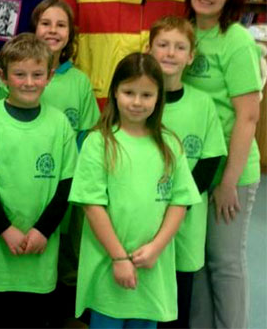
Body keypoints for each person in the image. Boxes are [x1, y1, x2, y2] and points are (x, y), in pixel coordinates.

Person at [69, 52, 201, 328]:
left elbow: (179, 202)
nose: (137, 102)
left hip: (151, 271)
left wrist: (156, 248)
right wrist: (119, 257)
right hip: (109, 268)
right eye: (129, 92)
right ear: (115, 92)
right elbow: (92, 206)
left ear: (158, 97)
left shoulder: (169, 144)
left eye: (146, 95)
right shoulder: (99, 142)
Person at [0, 33, 78, 329]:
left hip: (39, 261)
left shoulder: (60, 125)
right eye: (19, 74)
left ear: (50, 77)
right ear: (3, 76)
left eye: (36, 74)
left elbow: (66, 186)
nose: (28, 82)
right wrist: (6, 230)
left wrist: (42, 231)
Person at [182, 0, 263, 329]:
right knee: (197, 260)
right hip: (197, 167)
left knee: (225, 261)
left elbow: (248, 116)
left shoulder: (236, 41)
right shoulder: (184, 32)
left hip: (232, 169)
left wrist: (229, 182)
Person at [148, 16, 227, 329]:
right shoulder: (139, 101)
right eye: (163, 45)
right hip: (143, 224)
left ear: (191, 56)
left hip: (185, 226)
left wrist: (175, 204)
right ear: (149, 49)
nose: (170, 53)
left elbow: (209, 161)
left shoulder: (203, 104)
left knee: (177, 308)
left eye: (180, 47)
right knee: (144, 304)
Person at [0, 0, 99, 143]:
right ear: (34, 29)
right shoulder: (13, 78)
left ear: (70, 33)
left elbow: (86, 135)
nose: (53, 30)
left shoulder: (80, 82)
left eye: (61, 25)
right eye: (45, 24)